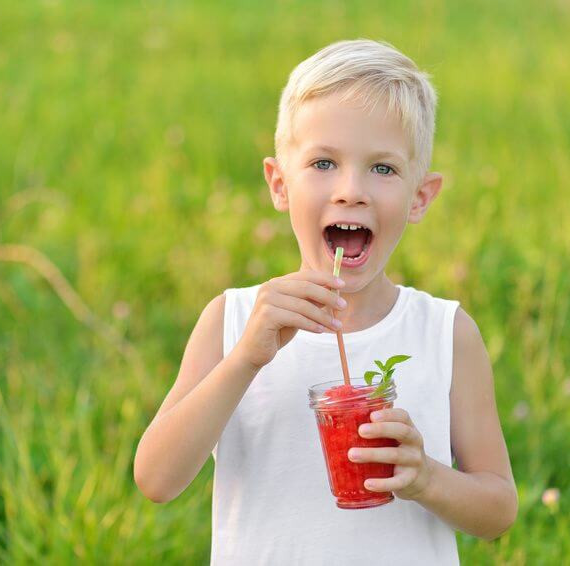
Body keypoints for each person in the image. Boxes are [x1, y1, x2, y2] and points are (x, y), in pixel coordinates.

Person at [134, 38, 517, 565]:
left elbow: (497, 509)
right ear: (279, 183)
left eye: (383, 169)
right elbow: (156, 478)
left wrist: (427, 477)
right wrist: (245, 358)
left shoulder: (446, 333)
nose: (350, 190)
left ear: (420, 198)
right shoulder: (233, 321)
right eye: (323, 163)